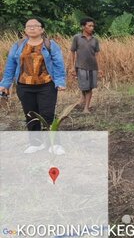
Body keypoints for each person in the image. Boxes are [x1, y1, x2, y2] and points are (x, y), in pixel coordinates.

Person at [0, 18, 67, 154]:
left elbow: (58, 64)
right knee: (30, 114)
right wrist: (5, 84)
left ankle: (54, 144)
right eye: (28, 26)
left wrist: (60, 81)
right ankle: (36, 143)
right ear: (25, 30)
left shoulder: (50, 44)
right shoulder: (18, 45)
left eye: (35, 26)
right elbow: (10, 65)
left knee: (47, 114)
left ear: (42, 29)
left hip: (46, 85)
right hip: (24, 86)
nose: (32, 28)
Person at [70, 17, 101, 113]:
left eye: (92, 26)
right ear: (83, 27)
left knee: (89, 87)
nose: (92, 28)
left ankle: (86, 108)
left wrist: (99, 68)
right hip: (81, 66)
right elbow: (72, 52)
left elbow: (97, 54)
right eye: (89, 26)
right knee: (84, 86)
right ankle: (82, 101)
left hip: (92, 67)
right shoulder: (77, 38)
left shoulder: (95, 40)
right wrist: (72, 66)